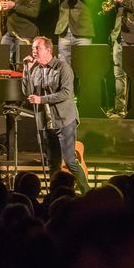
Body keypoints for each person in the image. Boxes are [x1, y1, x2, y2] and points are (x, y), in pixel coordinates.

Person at [22, 36, 90, 194]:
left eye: (37, 48)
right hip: (47, 121)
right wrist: (26, 70)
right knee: (53, 162)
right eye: (33, 48)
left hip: (64, 120)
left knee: (70, 161)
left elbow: (66, 93)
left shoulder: (62, 67)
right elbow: (28, 91)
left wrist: (42, 99)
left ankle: (87, 191)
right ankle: (55, 194)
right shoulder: (35, 69)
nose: (34, 51)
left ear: (48, 50)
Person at [0, 0, 42, 67]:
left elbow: (34, 12)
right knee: (1, 61)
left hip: (25, 33)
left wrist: (14, 6)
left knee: (22, 65)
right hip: (10, 30)